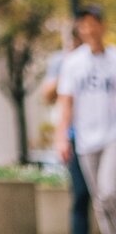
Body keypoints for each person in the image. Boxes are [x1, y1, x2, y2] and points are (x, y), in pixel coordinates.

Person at [57, 5, 116, 234]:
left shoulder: (113, 59)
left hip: (112, 135)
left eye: (92, 24)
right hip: (85, 140)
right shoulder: (73, 63)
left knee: (108, 190)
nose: (88, 29)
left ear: (102, 26)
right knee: (99, 199)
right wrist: (62, 137)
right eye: (83, 25)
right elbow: (66, 102)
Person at [43, 24, 90, 234]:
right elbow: (47, 95)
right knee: (80, 194)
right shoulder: (62, 61)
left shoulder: (103, 58)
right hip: (75, 137)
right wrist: (68, 68)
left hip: (104, 136)